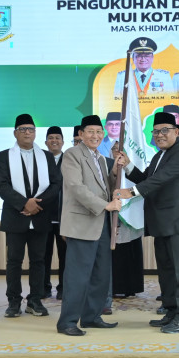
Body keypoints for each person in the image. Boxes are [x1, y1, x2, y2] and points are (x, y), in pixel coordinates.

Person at [116, 111, 179, 333]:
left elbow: (161, 179)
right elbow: (148, 178)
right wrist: (127, 165)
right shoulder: (160, 155)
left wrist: (132, 192)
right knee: (167, 272)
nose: (159, 135)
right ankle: (172, 312)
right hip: (163, 224)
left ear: (176, 131)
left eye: (165, 130)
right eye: (155, 132)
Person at [58, 115, 123, 336]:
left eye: (98, 132)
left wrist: (114, 174)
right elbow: (76, 187)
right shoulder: (72, 154)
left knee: (100, 275)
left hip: (101, 223)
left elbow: (106, 188)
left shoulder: (102, 158)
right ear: (81, 134)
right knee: (77, 276)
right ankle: (67, 322)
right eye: (90, 131)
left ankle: (91, 317)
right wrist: (105, 206)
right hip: (82, 223)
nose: (95, 136)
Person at [0, 113, 62, 318]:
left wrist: (36, 204)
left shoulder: (46, 156)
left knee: (39, 261)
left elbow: (56, 184)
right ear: (15, 133)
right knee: (14, 261)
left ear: (35, 133)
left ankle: (35, 300)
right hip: (15, 217)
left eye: (30, 129)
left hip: (40, 216)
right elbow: (1, 185)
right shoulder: (4, 156)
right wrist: (24, 203)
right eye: (22, 129)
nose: (27, 133)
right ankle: (14, 302)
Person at [110, 140, 145, 304]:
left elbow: (143, 184)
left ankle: (131, 286)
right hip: (112, 214)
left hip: (131, 216)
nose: (117, 152)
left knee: (131, 252)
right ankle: (115, 287)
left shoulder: (134, 167)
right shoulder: (105, 165)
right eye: (114, 149)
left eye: (121, 149)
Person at [42, 126, 67, 301]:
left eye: (57, 138)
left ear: (63, 142)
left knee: (65, 255)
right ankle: (43, 287)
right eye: (51, 138)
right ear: (46, 142)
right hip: (43, 215)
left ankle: (64, 288)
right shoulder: (40, 159)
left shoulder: (70, 160)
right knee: (43, 255)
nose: (54, 141)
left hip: (64, 216)